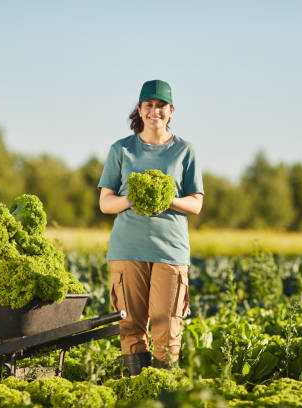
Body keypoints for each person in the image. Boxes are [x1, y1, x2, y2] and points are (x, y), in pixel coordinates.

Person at [97, 79, 204, 375]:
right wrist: (130, 199)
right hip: (127, 248)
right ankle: (135, 389)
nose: (155, 111)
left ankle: (162, 393)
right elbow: (105, 203)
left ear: (171, 111)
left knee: (167, 327)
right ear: (140, 109)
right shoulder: (121, 149)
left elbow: (196, 204)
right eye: (149, 105)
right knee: (130, 326)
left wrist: (169, 199)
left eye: (161, 106)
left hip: (170, 251)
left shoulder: (185, 150)